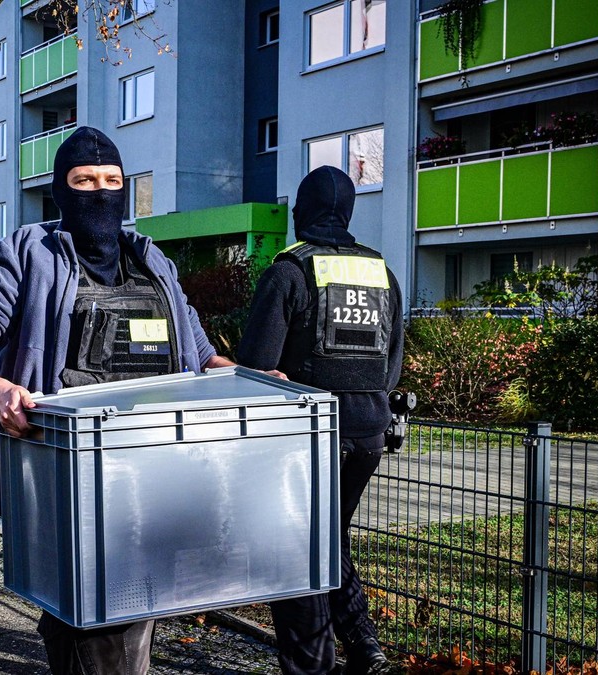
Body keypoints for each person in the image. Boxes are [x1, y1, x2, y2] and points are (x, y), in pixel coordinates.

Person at [0, 126, 234, 675]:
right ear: (60, 191)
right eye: (84, 181)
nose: (101, 193)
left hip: (157, 480)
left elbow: (205, 358)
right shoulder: (27, 257)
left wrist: (263, 382)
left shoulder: (153, 263)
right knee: (100, 632)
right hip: (70, 487)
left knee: (132, 623)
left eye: (112, 181)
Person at [237, 166, 404, 675]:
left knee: (295, 550)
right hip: (368, 434)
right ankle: (366, 649)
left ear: (300, 212)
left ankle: (314, 667)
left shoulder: (290, 271)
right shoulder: (382, 273)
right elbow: (391, 368)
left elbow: (254, 367)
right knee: (328, 538)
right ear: (348, 213)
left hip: (305, 437)